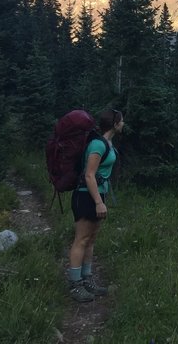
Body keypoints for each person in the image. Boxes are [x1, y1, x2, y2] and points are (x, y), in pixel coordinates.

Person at [66, 109, 123, 302]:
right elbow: (89, 174)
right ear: (115, 123)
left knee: (90, 239)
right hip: (86, 196)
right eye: (121, 121)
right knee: (81, 239)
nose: (123, 123)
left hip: (97, 194)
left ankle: (86, 279)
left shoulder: (106, 142)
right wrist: (98, 202)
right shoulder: (98, 144)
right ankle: (75, 285)